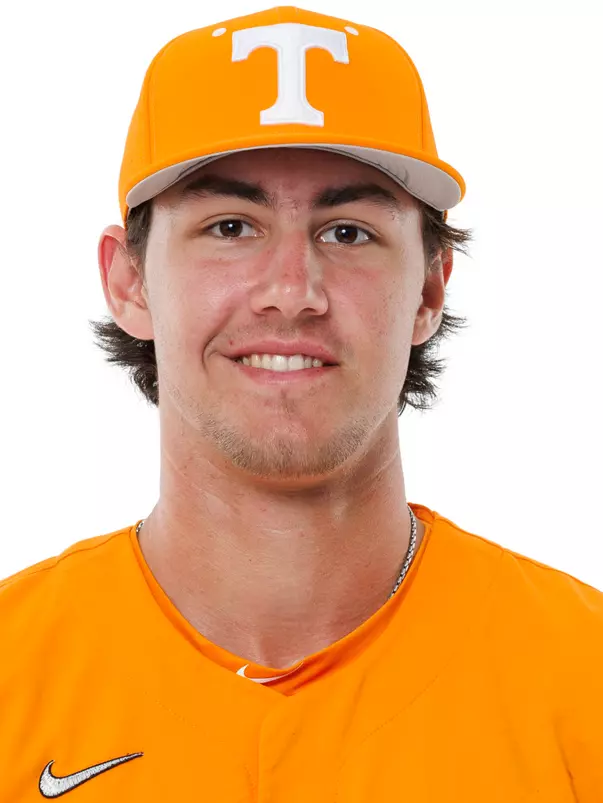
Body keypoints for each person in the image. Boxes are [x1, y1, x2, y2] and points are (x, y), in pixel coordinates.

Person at [1, 6, 601, 801]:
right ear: (129, 282)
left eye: (347, 231)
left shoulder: (581, 674)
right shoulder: (15, 667)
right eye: (229, 225)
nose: (292, 292)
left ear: (427, 288)